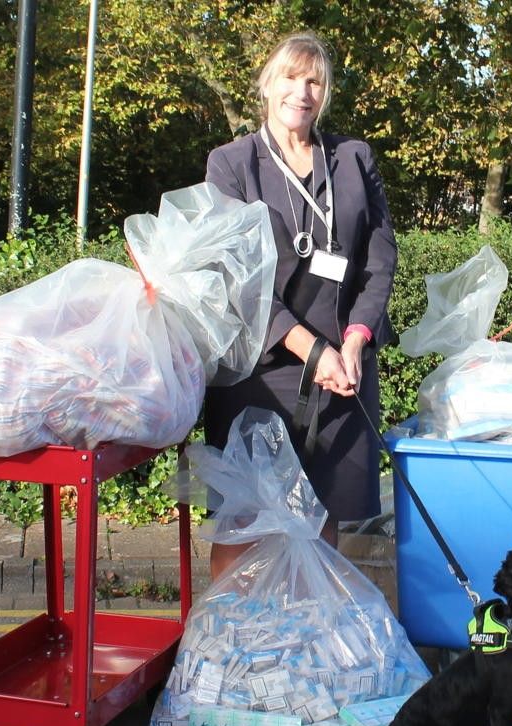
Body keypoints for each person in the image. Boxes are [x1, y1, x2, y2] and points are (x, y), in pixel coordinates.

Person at [202, 32, 397, 579]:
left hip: (345, 371)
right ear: (268, 84)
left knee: (325, 523)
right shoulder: (232, 165)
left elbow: (379, 260)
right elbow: (235, 277)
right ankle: (231, 645)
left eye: (314, 80)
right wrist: (311, 349)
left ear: (325, 91)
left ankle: (313, 641)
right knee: (247, 523)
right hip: (264, 372)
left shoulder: (353, 159)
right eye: (290, 77)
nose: (302, 91)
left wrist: (356, 338)